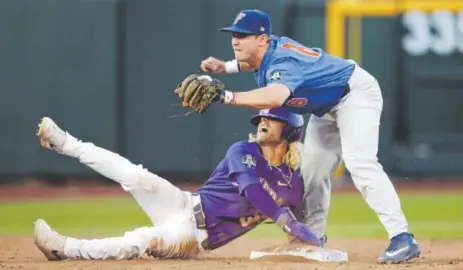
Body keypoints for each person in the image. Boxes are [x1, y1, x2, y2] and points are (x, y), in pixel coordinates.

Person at [194, 9, 420, 264]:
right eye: (234, 34)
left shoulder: (282, 62)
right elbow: (251, 61)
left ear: (262, 38)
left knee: (360, 163)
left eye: (243, 35)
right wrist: (225, 67)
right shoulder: (266, 52)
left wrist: (227, 97)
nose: (235, 40)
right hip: (327, 108)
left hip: (355, 95)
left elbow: (275, 97)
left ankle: (401, 236)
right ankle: (313, 237)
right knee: (312, 169)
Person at [33, 108, 323, 261]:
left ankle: (66, 249)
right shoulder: (242, 151)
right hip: (184, 203)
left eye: (272, 118)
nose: (263, 120)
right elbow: (253, 190)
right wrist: (286, 221)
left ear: (291, 132)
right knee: (137, 176)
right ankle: (66, 143)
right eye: (262, 116)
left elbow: (297, 223)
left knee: (145, 239)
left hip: (195, 236)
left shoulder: (293, 185)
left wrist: (306, 236)